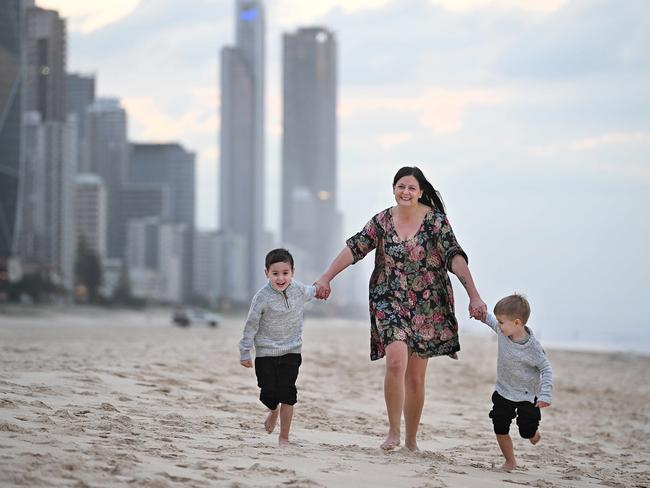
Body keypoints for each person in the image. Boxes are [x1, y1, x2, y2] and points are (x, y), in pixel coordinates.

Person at [314, 166, 487, 451]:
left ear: (420, 192)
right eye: (400, 186)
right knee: (395, 360)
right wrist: (326, 277)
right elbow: (355, 248)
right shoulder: (381, 221)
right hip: (388, 298)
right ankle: (393, 432)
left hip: (426, 304)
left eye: (411, 188)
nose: (405, 192)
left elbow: (454, 257)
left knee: (416, 378)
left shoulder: (436, 222)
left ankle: (411, 440)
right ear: (394, 189)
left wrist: (474, 296)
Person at [239, 248, 317, 446]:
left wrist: (322, 288)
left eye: (285, 273)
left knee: (288, 393)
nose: (281, 278)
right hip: (266, 354)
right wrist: (245, 351)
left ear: (292, 272)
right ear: (266, 273)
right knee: (268, 394)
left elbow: (311, 291)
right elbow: (251, 324)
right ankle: (272, 411)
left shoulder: (298, 289)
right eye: (275, 274)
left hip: (292, 351)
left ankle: (284, 438)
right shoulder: (261, 297)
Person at [474, 294, 553, 472]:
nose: (498, 325)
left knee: (526, 430)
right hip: (503, 391)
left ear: (517, 323)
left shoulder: (533, 348)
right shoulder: (504, 331)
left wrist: (545, 394)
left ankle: (532, 433)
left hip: (527, 396)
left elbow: (546, 370)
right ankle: (510, 461)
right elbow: (489, 320)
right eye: (499, 322)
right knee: (500, 426)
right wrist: (481, 314)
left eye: (502, 322)